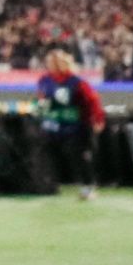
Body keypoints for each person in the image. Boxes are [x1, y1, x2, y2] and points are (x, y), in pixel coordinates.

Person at [33, 47, 106, 199]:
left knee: (78, 156)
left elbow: (92, 101)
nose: (50, 65)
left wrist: (97, 119)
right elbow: (41, 99)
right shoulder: (44, 80)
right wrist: (38, 112)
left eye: (53, 62)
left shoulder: (76, 82)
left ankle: (87, 187)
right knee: (47, 154)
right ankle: (48, 184)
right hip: (52, 124)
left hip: (76, 126)